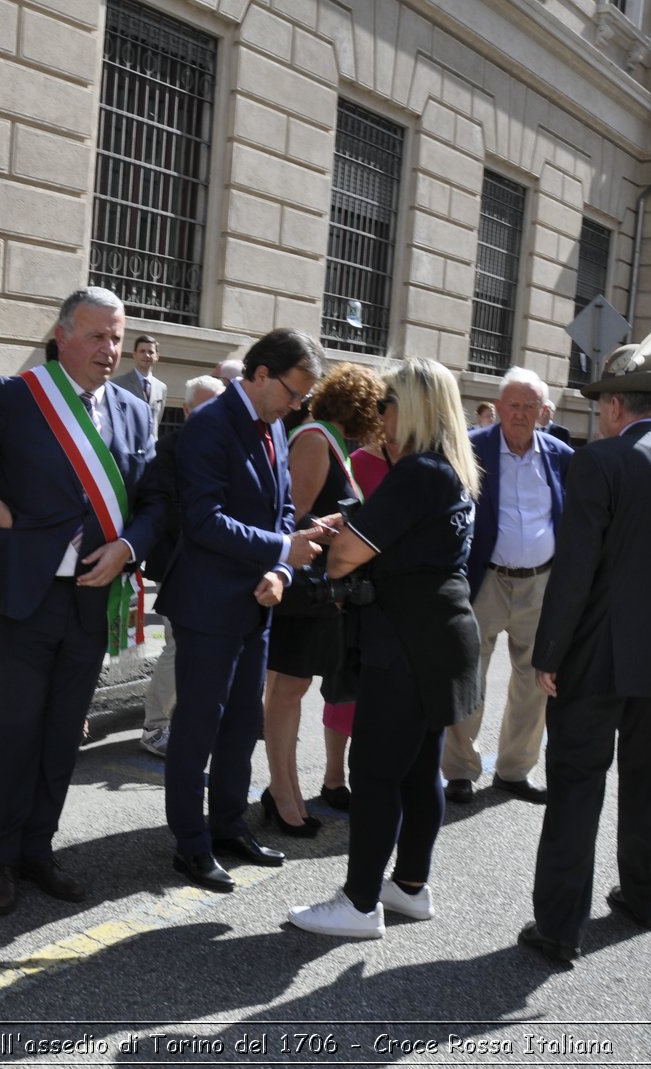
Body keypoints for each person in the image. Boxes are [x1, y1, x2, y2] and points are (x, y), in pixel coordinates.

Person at [519, 318, 651, 966]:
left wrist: (548, 653)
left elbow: (575, 570)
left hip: (599, 657)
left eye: (600, 404)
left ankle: (559, 928)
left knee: (578, 785)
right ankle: (644, 896)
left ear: (615, 405)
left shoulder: (600, 461)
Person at [0, 286, 164, 915]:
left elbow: (153, 500)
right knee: (16, 729)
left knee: (64, 732)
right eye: (98, 337)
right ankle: (1, 859)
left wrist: (129, 546)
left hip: (96, 596)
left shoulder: (131, 408)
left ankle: (40, 848)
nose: (111, 349)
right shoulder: (20, 397)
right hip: (27, 593)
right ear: (63, 336)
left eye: (117, 337)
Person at [287, 357, 481, 940]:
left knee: (374, 773)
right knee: (420, 771)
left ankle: (360, 901)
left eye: (388, 403)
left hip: (406, 639)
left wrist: (338, 539)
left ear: (415, 408)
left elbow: (348, 556)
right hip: (440, 633)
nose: (380, 414)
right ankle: (410, 888)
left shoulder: (418, 472)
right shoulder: (449, 469)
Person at [156, 329, 328, 891]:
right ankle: (190, 842)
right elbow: (204, 521)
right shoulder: (209, 425)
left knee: (240, 725)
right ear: (260, 374)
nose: (298, 405)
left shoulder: (275, 423)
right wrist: (282, 551)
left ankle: (228, 825)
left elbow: (282, 506)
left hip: (257, 600)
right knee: (198, 725)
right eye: (294, 392)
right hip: (207, 604)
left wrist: (279, 572)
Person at [259, 360, 382, 836]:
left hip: (313, 592)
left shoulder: (324, 437)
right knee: (286, 693)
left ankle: (283, 792)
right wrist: (338, 530)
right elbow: (292, 522)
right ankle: (283, 797)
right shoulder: (314, 439)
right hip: (300, 588)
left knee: (292, 692)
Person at [442, 368, 572, 805]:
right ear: (498, 408)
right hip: (485, 579)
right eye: (513, 405)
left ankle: (514, 770)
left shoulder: (559, 454)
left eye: (529, 406)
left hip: (540, 581)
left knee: (536, 679)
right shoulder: (472, 449)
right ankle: (459, 769)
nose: (519, 414)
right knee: (467, 672)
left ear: (542, 411)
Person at [139, 374, 226, 758]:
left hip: (212, 569)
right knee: (175, 645)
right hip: (176, 565)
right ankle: (155, 726)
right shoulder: (170, 450)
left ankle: (177, 719)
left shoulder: (225, 448)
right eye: (204, 407)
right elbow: (165, 510)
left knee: (190, 647)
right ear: (187, 409)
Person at [321, 428, 402, 805]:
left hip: (402, 593)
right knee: (346, 686)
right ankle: (334, 777)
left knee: (392, 695)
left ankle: (374, 777)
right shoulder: (359, 463)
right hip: (359, 588)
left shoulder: (423, 464)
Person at [116, 334, 167, 435]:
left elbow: (157, 420)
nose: (147, 355)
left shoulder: (162, 388)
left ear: (157, 356)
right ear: (134, 355)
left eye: (151, 352)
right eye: (142, 351)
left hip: (150, 448)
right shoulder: (118, 384)